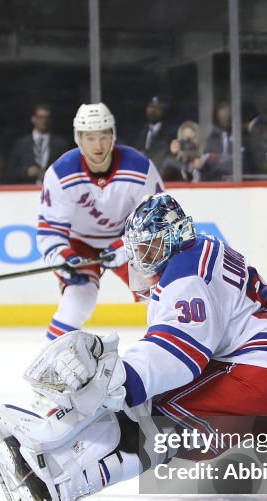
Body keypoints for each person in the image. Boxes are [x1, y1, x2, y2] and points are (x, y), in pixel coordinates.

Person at [0, 193, 267, 501]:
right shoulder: (205, 246)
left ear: (173, 236)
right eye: (141, 248)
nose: (144, 257)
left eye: (151, 246)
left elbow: (180, 353)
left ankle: (64, 483)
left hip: (263, 378)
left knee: (149, 415)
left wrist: (123, 379)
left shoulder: (183, 276)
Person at [37, 102, 163, 341]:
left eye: (104, 136)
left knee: (158, 297)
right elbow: (50, 230)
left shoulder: (140, 168)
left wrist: (126, 247)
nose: (98, 145)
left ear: (113, 136)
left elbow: (157, 219)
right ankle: (49, 363)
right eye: (90, 138)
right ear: (78, 139)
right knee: (78, 299)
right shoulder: (61, 173)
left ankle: (166, 354)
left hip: (128, 238)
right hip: (79, 243)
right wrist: (63, 256)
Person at [4, 104, 70, 185]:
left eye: (47, 118)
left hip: (52, 190)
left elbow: (67, 170)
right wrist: (27, 172)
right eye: (40, 117)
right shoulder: (22, 144)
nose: (44, 121)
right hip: (26, 191)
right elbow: (10, 172)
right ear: (33, 119)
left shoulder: (60, 144)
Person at [130, 95, 172, 171]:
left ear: (163, 110)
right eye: (151, 107)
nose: (153, 111)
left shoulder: (170, 132)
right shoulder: (138, 130)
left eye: (157, 108)